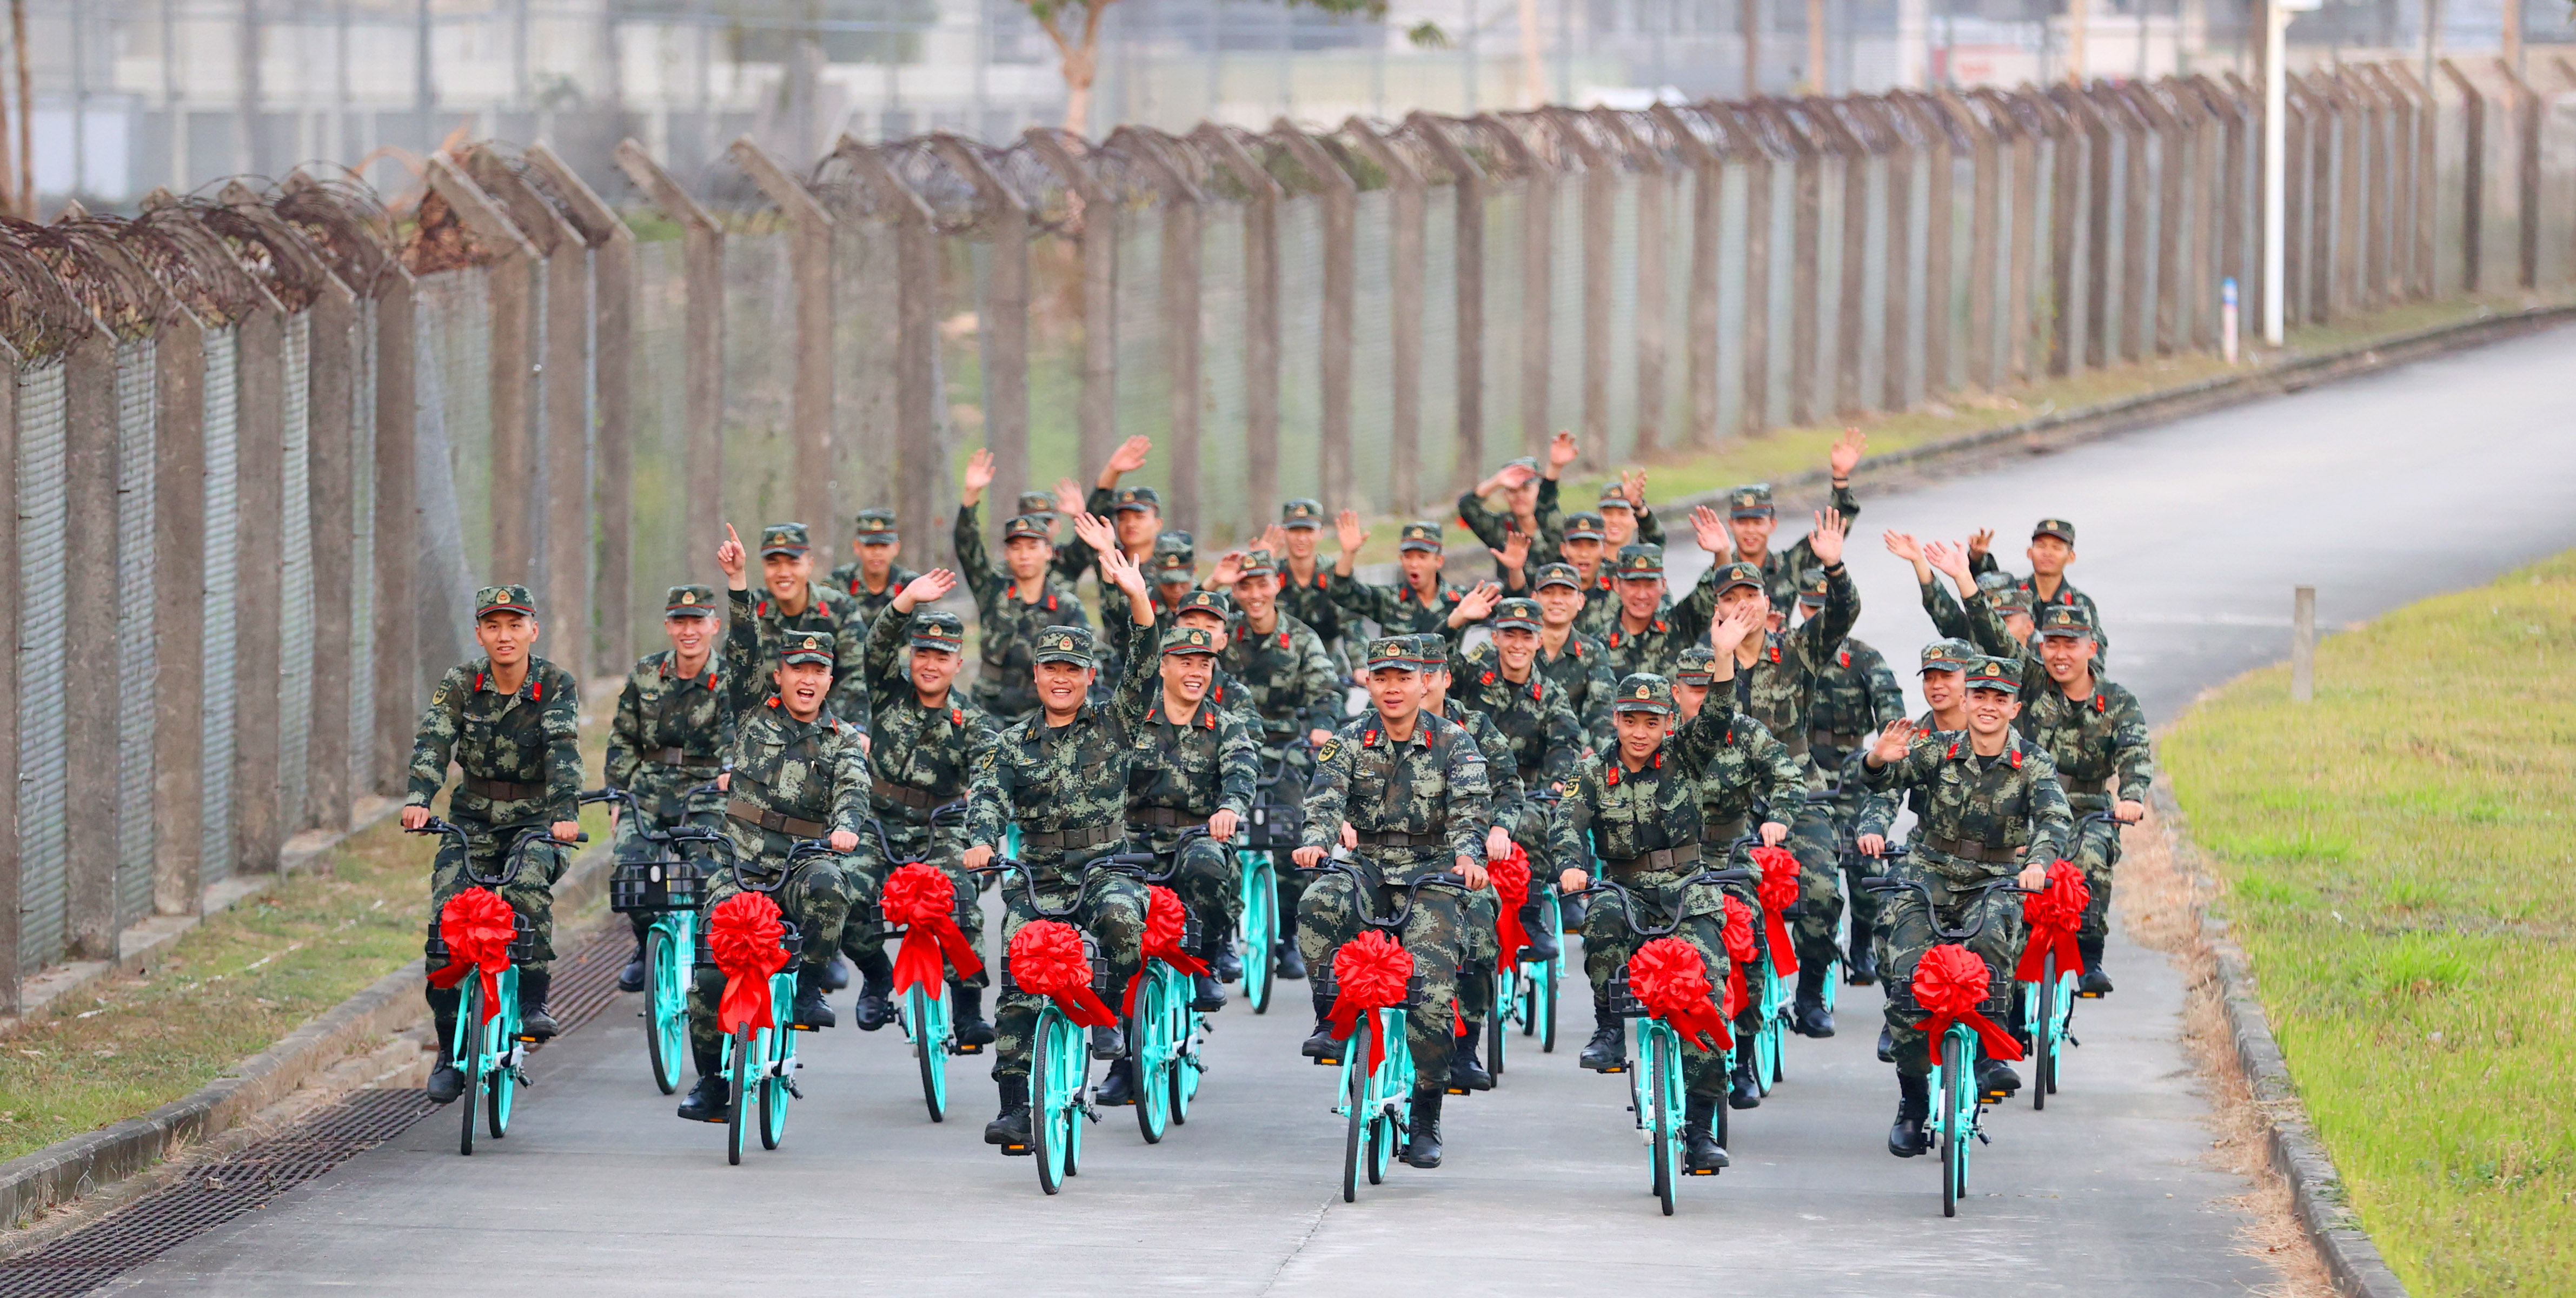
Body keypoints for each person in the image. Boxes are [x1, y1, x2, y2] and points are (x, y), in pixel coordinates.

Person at [964, 518, 1162, 1154]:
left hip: (1106, 863)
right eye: (1051, 668)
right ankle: (1014, 1108)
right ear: (1037, 674)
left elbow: (1144, 667)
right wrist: (984, 840)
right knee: (1017, 978)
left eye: (1072, 670)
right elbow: (989, 800)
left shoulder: (1114, 723)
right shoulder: (1011, 743)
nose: (1061, 679)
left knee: (1123, 924)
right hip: (1038, 873)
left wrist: (1137, 598)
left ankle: (1106, 1016)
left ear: (1086, 676)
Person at [1548, 643, 1775, 1173]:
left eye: (1652, 721)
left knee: (1704, 993)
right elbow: (1567, 824)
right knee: (1602, 923)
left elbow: (1718, 715)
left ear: (1668, 721)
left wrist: (1722, 659)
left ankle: (1699, 1129)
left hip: (1686, 883)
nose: (1641, 731)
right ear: (1616, 719)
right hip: (1624, 884)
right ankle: (1608, 1029)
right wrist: (1569, 864)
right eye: (1631, 720)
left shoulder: (1687, 754)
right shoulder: (1591, 770)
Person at [672, 526, 871, 1123]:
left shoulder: (841, 741)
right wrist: (736, 583)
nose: (807, 678)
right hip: (740, 860)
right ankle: (712, 1083)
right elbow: (742, 648)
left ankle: (809, 984)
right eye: (796, 668)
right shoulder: (753, 711)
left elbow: (855, 789)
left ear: (829, 679)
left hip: (802, 861)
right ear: (779, 677)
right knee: (708, 978)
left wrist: (846, 827)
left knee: (832, 890)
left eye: (818, 669)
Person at [1848, 658, 2072, 1155]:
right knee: (1907, 979)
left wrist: (2037, 863)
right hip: (1930, 871)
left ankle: (1987, 1056)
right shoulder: (1937, 750)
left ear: (2015, 707)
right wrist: (1878, 759)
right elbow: (1882, 782)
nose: (1988, 707)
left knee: (1994, 943)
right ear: (1966, 701)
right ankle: (1912, 1102)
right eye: (1980, 697)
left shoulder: (2032, 762)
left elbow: (2055, 819)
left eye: (2000, 699)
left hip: (1995, 876)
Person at [1292, 636, 1497, 1170]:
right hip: (1368, 864)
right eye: (1382, 678)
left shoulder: (1457, 742)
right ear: (1368, 682)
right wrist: (1317, 839)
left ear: (1423, 682)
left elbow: (1471, 813)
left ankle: (1427, 1114)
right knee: (1319, 901)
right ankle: (1330, 1018)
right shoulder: (1347, 740)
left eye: (1403, 678)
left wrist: (1468, 856)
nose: (1392, 688)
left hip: (1434, 870)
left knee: (1430, 990)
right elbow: (1324, 797)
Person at [404, 586, 584, 1104]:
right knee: (446, 925)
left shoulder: (554, 683)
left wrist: (566, 814)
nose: (504, 636)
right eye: (493, 626)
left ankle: (532, 1000)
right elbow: (434, 740)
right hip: (473, 821)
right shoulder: (462, 682)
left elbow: (562, 749)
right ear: (480, 633)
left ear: (533, 630)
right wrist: (420, 798)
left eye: (515, 624)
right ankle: (448, 1052)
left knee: (526, 888)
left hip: (538, 821)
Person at [1696, 506, 1857, 1038]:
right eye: (1730, 600)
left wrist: (1834, 568)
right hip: (1726, 802)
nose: (1741, 608)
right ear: (1716, 610)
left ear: (1768, 606)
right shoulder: (1700, 664)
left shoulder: (1797, 653)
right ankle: (1730, 1020)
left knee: (1821, 892)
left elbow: (1843, 614)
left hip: (1798, 790)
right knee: (1716, 900)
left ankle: (1811, 992)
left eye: (1751, 599)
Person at [836, 569, 1000, 1044]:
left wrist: (983, 828)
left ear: (958, 662)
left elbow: (990, 777)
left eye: (942, 656)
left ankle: (967, 1008)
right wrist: (906, 599)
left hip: (942, 827)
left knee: (962, 902)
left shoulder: (971, 720)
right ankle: (876, 976)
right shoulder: (889, 694)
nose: (930, 664)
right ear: (911, 657)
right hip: (879, 821)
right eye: (922, 653)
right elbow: (875, 648)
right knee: (841, 893)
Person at [1106, 622, 1258, 1092]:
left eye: (1205, 664)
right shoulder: (1132, 720)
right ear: (1165, 666)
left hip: (1195, 834)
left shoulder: (1225, 725)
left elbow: (1242, 773)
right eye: (1186, 663)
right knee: (1114, 917)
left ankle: (1208, 959)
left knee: (1209, 865)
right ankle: (1121, 1060)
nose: (1196, 673)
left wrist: (1230, 808)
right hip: (1133, 837)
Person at [1664, 644, 1809, 1109]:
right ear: (1676, 691)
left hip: (1728, 857)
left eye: (1711, 688)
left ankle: (1744, 1054)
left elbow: (1789, 779)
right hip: (1668, 863)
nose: (1702, 698)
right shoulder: (1657, 733)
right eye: (1693, 689)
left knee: (1745, 938)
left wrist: (1778, 818)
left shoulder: (1745, 733)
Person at [1983, 604, 2151, 996]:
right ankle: (2009, 988)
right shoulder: (2033, 683)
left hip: (2087, 809)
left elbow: (2135, 754)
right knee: (2011, 878)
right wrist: (1963, 577)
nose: (2060, 654)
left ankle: (2090, 956)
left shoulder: (2118, 701)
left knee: (2092, 858)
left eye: (2070, 645)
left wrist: (2132, 796)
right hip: (2030, 807)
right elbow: (1994, 635)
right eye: (2052, 644)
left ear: (2091, 648)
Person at [1207, 547, 1345, 982]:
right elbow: (1183, 640)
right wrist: (1210, 584)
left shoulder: (1301, 638)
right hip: (1229, 747)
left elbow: (1326, 693)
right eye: (1244, 586)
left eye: (1261, 583)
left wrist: (1323, 726)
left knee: (1293, 842)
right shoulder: (1225, 636)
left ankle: (1286, 938)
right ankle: (1223, 933)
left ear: (1277, 584)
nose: (1254, 594)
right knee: (1218, 836)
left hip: (1286, 748)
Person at [602, 584, 734, 995]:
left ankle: (706, 955)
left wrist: (732, 771)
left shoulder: (729, 677)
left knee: (709, 877)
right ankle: (646, 948)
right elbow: (624, 737)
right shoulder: (646, 672)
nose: (689, 630)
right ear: (668, 626)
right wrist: (617, 795)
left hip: (707, 789)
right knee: (630, 874)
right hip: (650, 787)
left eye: (697, 621)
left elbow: (737, 733)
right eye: (680, 621)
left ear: (714, 625)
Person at [1441, 593, 1583, 962]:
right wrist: (1457, 620)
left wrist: (1559, 779)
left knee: (1535, 823)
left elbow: (1565, 743)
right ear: (1496, 638)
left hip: (1527, 792)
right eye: (1510, 635)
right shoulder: (1475, 674)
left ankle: (1530, 916)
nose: (1518, 645)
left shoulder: (1550, 695)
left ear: (1539, 640)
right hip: (1465, 785)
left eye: (1526, 636)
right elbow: (1431, 665)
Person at [1410, 634, 1519, 1095]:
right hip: (1387, 858)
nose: (1424, 682)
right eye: (1417, 673)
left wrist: (1499, 830)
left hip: (1455, 856)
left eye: (1432, 673)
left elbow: (1508, 786)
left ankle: (1468, 1043)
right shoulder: (1370, 727)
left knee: (1478, 925)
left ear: (1445, 679)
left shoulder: (1473, 727)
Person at [1790, 566, 1907, 988]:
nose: (1817, 616)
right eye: (1811, 608)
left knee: (1866, 861)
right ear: (1801, 607)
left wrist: (1884, 752)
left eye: (1826, 609)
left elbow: (1891, 710)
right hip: (1799, 771)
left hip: (1853, 771)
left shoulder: (1863, 658)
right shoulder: (1789, 655)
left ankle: (1862, 945)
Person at [955, 448, 1090, 722]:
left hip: (1047, 715)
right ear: (1007, 554)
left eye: (1032, 546)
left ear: (1049, 552)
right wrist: (971, 496)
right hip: (990, 715)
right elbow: (968, 551)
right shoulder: (992, 592)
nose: (1024, 555)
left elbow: (1087, 662)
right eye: (1016, 548)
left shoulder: (1066, 606)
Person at [742, 522, 872, 736]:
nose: (783, 573)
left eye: (793, 562)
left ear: (810, 565)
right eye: (773, 564)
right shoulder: (750, 611)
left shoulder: (839, 609)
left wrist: (856, 726)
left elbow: (857, 674)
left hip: (832, 727)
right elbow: (739, 678)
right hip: (765, 728)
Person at [1718, 428, 1866, 613]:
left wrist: (1840, 478)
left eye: (1757, 522)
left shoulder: (1790, 566)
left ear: (1772, 525)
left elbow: (1832, 532)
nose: (1750, 530)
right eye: (1742, 522)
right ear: (1731, 524)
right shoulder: (1719, 573)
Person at [1326, 514, 1485, 637]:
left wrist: (1512, 570)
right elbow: (1342, 593)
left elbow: (1505, 611)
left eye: (1422, 557)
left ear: (1439, 561)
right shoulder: (1389, 599)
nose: (1414, 564)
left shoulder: (1459, 601)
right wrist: (1349, 554)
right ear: (1401, 559)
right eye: (1408, 557)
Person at [1967, 518, 2106, 656]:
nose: (2048, 553)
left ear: (2071, 557)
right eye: (2041, 546)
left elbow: (2095, 652)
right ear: (2030, 553)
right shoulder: (2011, 593)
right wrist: (1978, 557)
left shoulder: (2080, 604)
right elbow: (1985, 590)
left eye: (2057, 548)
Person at [1457, 432, 1576, 581]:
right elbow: (1468, 508)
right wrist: (1496, 482)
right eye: (1513, 491)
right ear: (1505, 495)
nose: (1519, 496)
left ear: (1538, 490)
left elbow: (1548, 499)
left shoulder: (1555, 524)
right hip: (1512, 600)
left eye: (1526, 489)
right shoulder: (1501, 527)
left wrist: (1554, 468)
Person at [1599, 542, 1725, 681]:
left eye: (1650, 584)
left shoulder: (1680, 625)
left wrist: (1722, 552)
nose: (1642, 595)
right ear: (1617, 585)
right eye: (1632, 584)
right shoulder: (1599, 646)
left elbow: (1712, 590)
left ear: (1663, 585)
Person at [1528, 562, 1618, 754]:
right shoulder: (1517, 648)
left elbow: (1602, 711)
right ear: (1534, 599)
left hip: (1572, 755)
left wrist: (1596, 751)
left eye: (1566, 593)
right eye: (1549, 593)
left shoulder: (1592, 651)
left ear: (1581, 601)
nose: (1557, 600)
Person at [1052, 434, 1163, 587]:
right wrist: (1112, 471)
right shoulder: (1108, 557)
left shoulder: (1171, 563)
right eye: (1123, 518)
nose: (1130, 524)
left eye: (1139, 517)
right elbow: (1099, 523)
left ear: (1158, 524)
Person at [1265, 499, 1353, 672]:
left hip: (1328, 669)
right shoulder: (1270, 576)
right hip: (1280, 669)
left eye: (1308, 531)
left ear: (1320, 533)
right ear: (1283, 533)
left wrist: (1360, 667)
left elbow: (1351, 623)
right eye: (1295, 531)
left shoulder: (1334, 574)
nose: (1301, 538)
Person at [827, 508, 922, 631]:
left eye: (884, 546)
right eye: (870, 546)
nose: (877, 553)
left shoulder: (911, 585)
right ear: (857, 547)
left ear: (896, 548)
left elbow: (923, 634)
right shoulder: (840, 582)